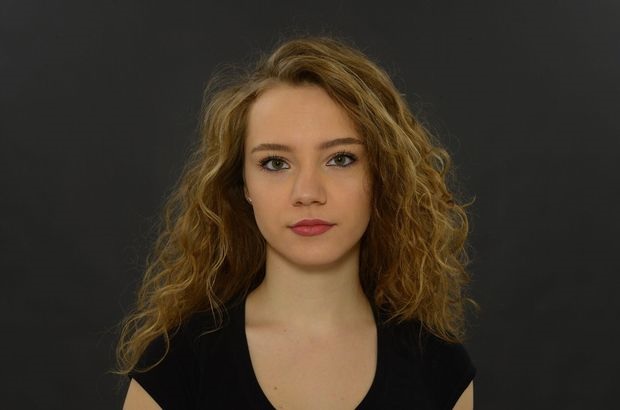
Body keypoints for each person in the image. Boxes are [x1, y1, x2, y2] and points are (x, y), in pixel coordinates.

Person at [117, 36, 476, 409]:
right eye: (275, 163)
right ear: (244, 185)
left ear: (381, 174)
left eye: (340, 159)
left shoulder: (440, 370)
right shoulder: (176, 365)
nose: (307, 192)